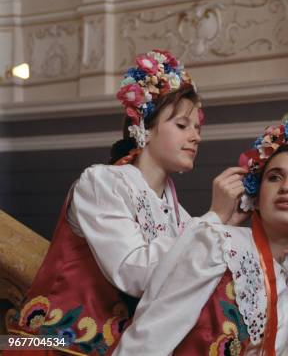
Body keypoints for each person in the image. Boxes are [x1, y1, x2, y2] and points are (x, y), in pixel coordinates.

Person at [5, 50, 246, 355]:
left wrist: (223, 225)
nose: (196, 137)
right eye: (183, 126)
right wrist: (212, 219)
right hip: (60, 341)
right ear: (145, 126)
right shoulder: (100, 183)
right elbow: (134, 273)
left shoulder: (176, 211)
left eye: (198, 128)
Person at [113, 112, 288, 355]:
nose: (286, 187)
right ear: (257, 193)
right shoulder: (219, 245)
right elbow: (152, 334)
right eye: (274, 177)